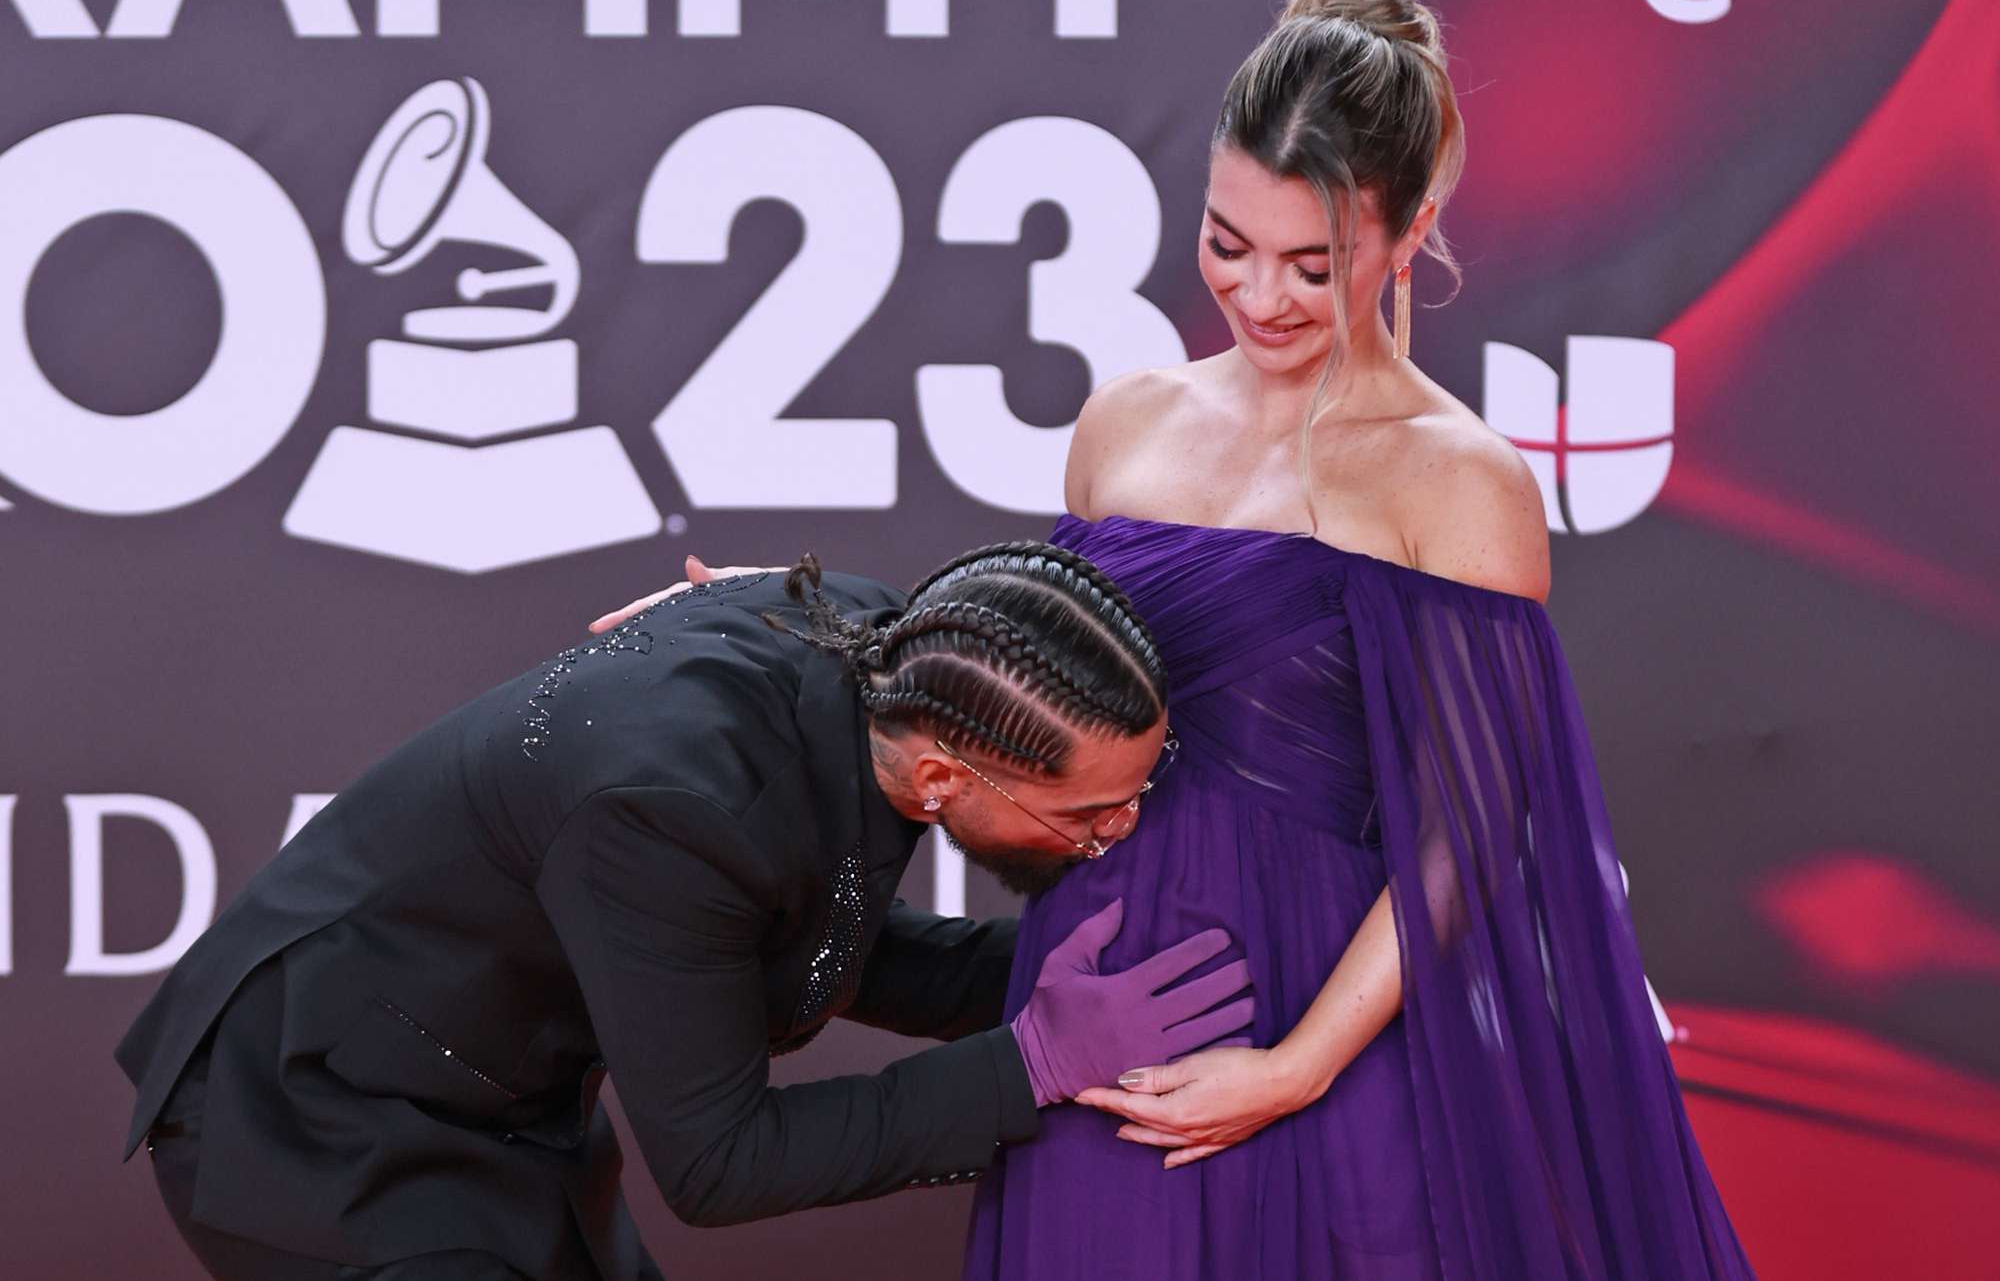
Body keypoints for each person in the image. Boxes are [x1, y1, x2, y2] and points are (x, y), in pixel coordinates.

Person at [604, 0, 1757, 1280]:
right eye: (1229, 242)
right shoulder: (1127, 421)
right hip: (1103, 994)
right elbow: (1031, 663)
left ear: (1412, 224)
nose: (1260, 296)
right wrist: (770, 609)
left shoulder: (1459, 477)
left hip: (1325, 1017)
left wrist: (1296, 1065)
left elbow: (1473, 828)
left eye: (1313, 264)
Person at [116, 543, 1255, 1280]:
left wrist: (1051, 977)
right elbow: (720, 1164)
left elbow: (814, 935)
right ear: (948, 779)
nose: (1113, 836)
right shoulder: (671, 812)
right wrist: (1028, 1062)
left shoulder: (886, 656)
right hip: (313, 1107)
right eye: (1091, 816)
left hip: (498, 1092)